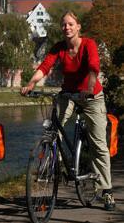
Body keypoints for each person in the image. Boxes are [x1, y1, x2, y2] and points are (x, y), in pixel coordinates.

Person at [21, 11, 115, 211]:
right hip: (68, 94)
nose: (67, 28)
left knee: (98, 143)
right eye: (64, 25)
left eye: (71, 24)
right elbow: (44, 67)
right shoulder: (59, 48)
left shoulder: (88, 44)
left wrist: (88, 89)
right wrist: (30, 83)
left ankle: (106, 190)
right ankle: (58, 166)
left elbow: (93, 68)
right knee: (54, 129)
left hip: (91, 96)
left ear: (78, 26)